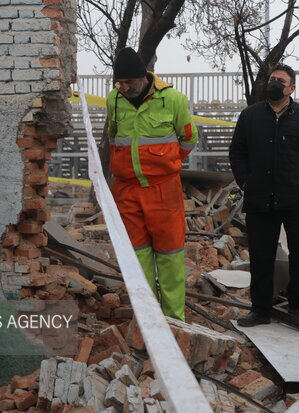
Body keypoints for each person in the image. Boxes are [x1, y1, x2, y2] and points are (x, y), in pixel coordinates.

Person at [229, 64, 299, 326]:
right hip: (260, 199)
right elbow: (237, 152)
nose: (273, 83)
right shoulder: (250, 116)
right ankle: (260, 309)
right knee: (261, 256)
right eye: (271, 79)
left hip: (297, 199)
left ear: (292, 88)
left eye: (280, 80)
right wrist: (246, 182)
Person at [106, 48, 198, 321]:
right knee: (136, 256)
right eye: (120, 83)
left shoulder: (172, 99)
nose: (124, 88)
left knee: (169, 255)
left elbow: (189, 139)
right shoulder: (114, 99)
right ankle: (148, 319)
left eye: (129, 82)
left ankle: (173, 320)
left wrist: (167, 163)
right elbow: (114, 139)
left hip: (163, 189)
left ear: (142, 78)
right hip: (126, 189)